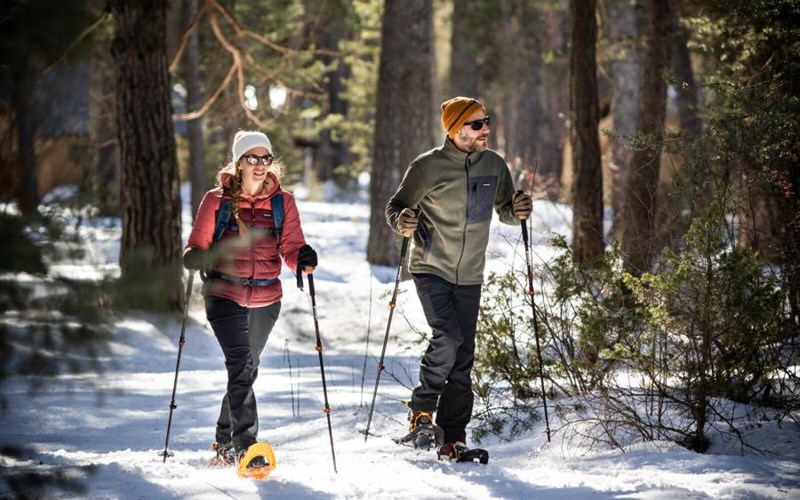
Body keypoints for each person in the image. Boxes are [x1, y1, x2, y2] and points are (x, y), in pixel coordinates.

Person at [385, 97, 532, 460]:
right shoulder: (427, 167)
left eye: (486, 121)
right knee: (448, 336)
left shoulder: (494, 165)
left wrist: (519, 211)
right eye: (477, 124)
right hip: (431, 266)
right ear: (455, 129)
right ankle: (421, 412)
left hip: (470, 273)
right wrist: (403, 221)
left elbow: (505, 211)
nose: (486, 129)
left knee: (464, 356)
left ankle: (453, 439)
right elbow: (396, 207)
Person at [183, 130, 318, 467]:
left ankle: (223, 442)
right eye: (252, 158)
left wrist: (301, 257)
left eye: (265, 158)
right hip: (223, 293)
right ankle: (246, 447)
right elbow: (196, 244)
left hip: (266, 298)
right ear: (238, 163)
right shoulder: (217, 200)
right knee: (241, 364)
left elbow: (290, 247)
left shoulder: (282, 202)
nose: (259, 165)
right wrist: (194, 256)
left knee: (247, 369)